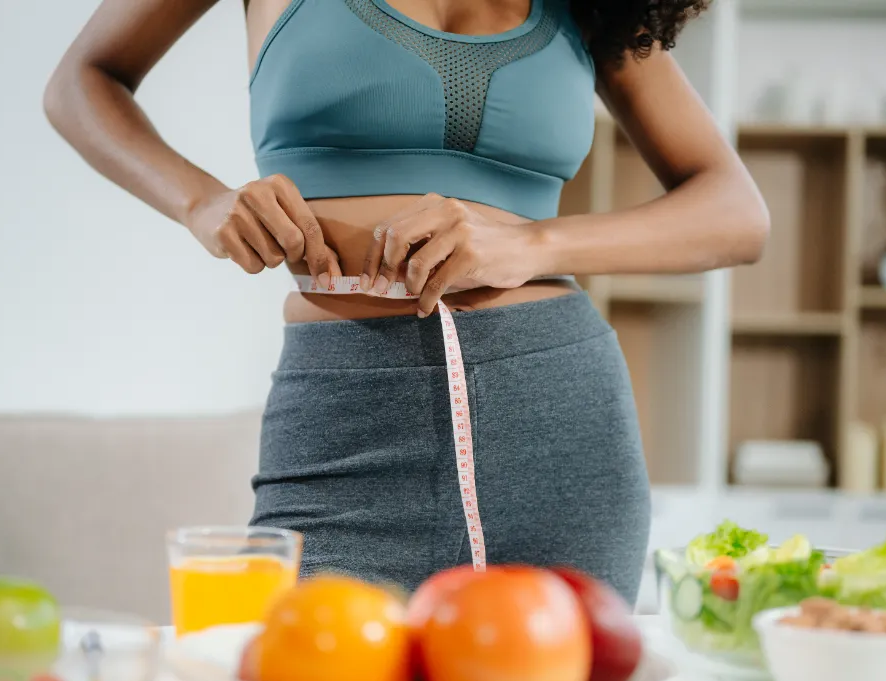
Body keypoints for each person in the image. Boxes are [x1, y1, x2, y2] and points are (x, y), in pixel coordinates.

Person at [45, 0, 768, 603]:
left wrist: (536, 244)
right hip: (346, 417)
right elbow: (82, 80)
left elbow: (737, 214)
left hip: (561, 419)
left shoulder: (588, 2)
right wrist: (201, 201)